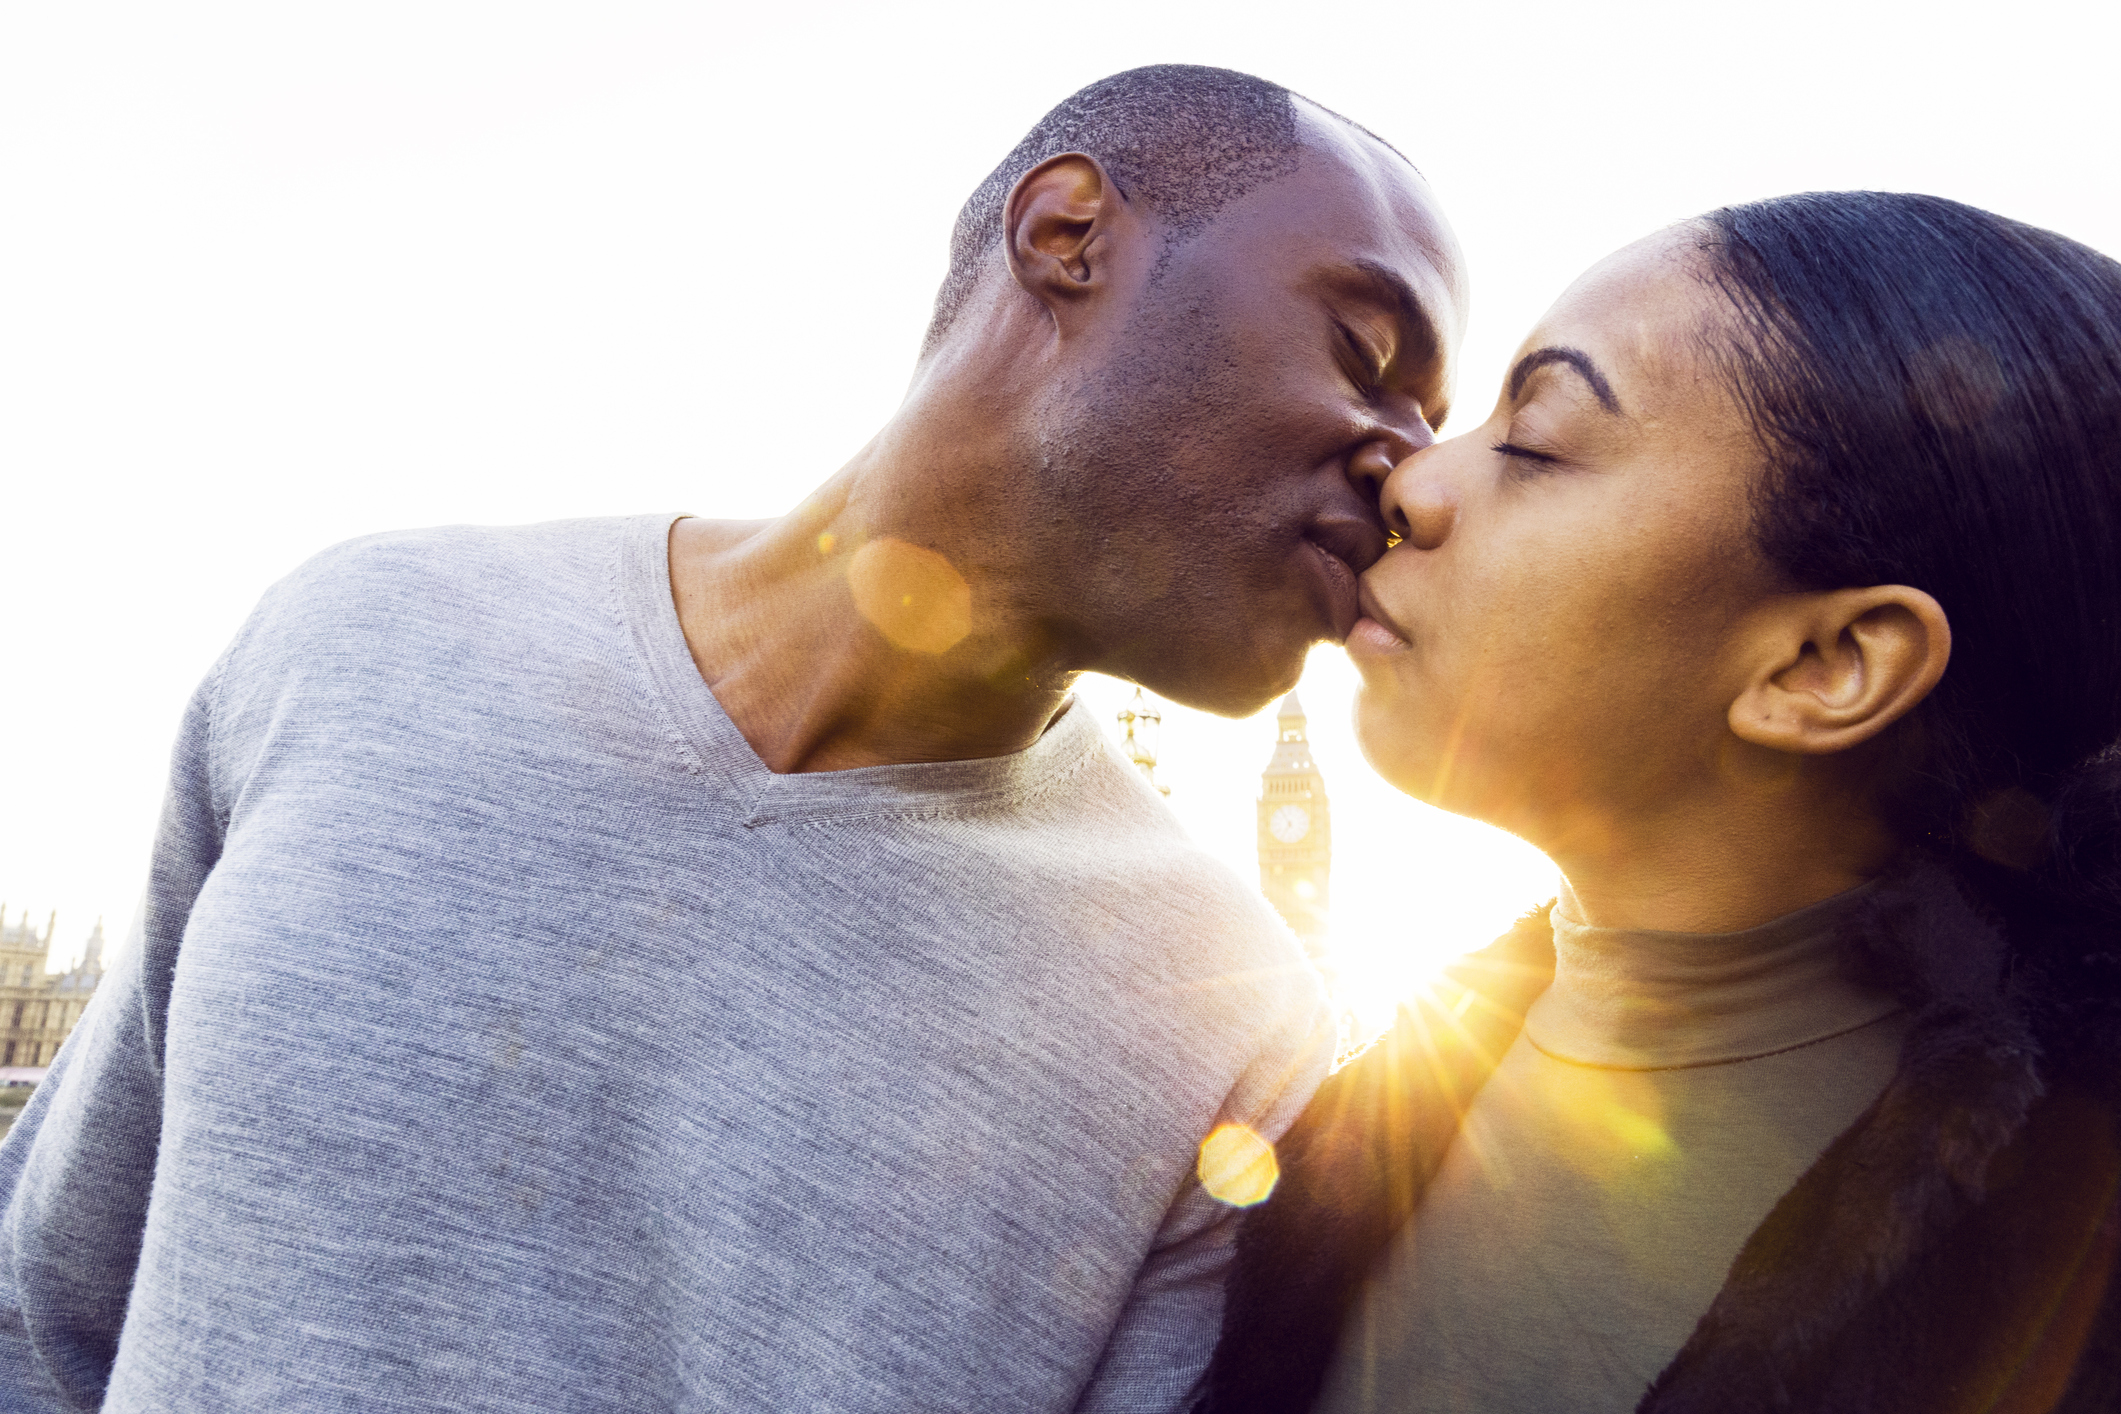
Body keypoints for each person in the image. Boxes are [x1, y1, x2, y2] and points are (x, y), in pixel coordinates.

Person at [0, 66, 1466, 1413]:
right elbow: (44, 1316)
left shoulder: (1231, 1031)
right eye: (1364, 348)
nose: (1409, 468)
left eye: (1434, 414)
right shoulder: (360, 639)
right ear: (1066, 233)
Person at [1195, 192, 2121, 1413]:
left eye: (1535, 441)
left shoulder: (2062, 1288)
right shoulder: (1335, 1144)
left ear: (1822, 669)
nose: (1410, 480)